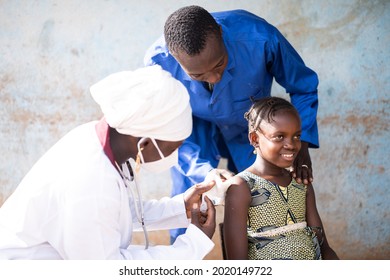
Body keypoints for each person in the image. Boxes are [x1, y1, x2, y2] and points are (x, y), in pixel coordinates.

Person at [0, 65, 216, 260]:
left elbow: (117, 212)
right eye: (172, 148)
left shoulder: (98, 139)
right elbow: (108, 270)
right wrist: (194, 244)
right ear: (146, 143)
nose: (174, 156)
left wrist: (180, 208)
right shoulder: (91, 181)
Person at [144, 5, 320, 241]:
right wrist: (205, 171)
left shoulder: (261, 38)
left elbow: (303, 87)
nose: (214, 78)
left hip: (249, 126)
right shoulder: (159, 63)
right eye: (198, 75)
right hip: (193, 130)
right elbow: (163, 127)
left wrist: (303, 142)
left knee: (263, 200)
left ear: (220, 33)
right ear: (174, 58)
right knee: (189, 203)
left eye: (220, 64)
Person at [223, 96, 338, 260]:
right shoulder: (242, 186)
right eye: (279, 136)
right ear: (255, 139)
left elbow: (323, 245)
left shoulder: (300, 183)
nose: (291, 144)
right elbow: (237, 262)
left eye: (296, 136)